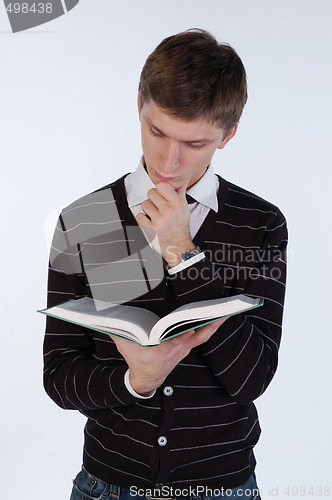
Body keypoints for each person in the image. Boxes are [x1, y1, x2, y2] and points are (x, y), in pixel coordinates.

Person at [43, 29, 287, 500]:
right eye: (157, 132)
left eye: (194, 143)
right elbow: (58, 376)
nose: (169, 161)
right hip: (107, 485)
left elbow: (252, 377)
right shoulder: (85, 220)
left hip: (222, 487)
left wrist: (183, 254)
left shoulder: (259, 224)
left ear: (228, 134)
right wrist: (135, 382)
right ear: (139, 105)